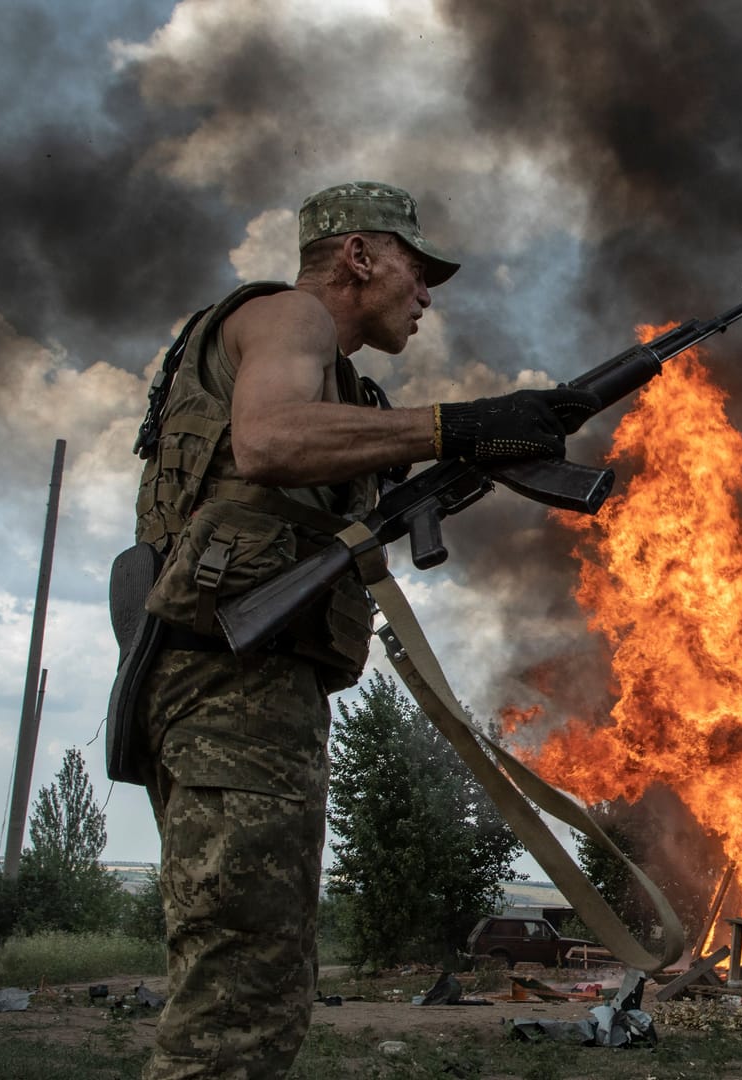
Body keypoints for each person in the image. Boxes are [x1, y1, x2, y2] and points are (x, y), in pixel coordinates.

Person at [128, 181, 596, 1079]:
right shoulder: (288, 319)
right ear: (359, 256)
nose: (426, 298)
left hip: (243, 686)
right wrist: (457, 427)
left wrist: (454, 460)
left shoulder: (344, 387)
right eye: (418, 273)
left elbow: (295, 491)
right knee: (239, 1004)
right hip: (233, 692)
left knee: (256, 982)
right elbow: (266, 442)